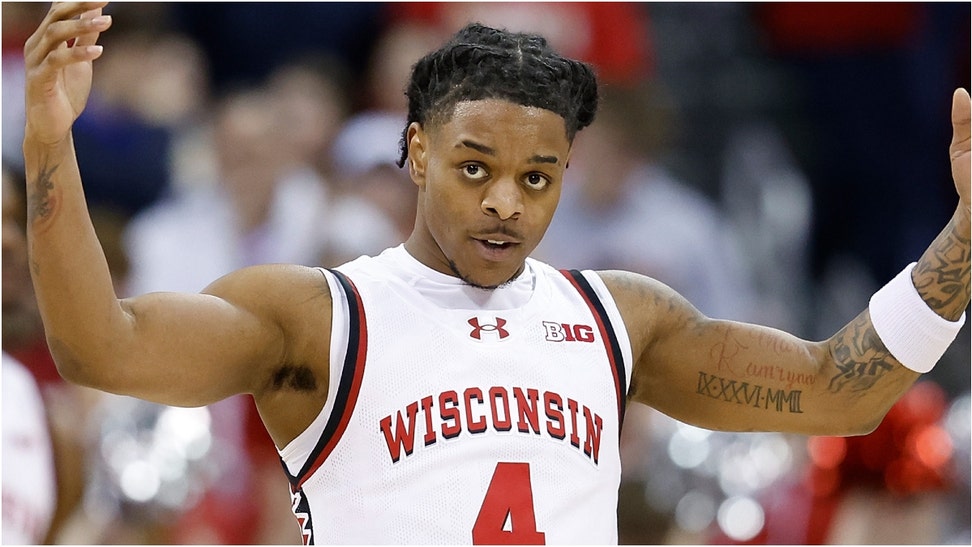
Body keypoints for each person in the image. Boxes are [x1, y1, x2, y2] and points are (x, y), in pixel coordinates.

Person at [21, 4, 970, 544]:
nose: (507, 202)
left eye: (538, 176)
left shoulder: (618, 319)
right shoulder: (320, 315)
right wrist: (50, 142)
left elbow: (834, 390)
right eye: (476, 168)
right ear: (416, 150)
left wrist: (963, 243)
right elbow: (101, 345)